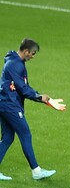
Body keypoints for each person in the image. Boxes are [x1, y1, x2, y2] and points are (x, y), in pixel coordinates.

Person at [0, 38, 56, 180]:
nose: (33, 56)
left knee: (7, 138)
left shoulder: (15, 62)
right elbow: (23, 88)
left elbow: (24, 86)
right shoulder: (15, 65)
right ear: (25, 51)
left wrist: (38, 96)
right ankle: (36, 171)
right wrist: (38, 97)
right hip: (10, 106)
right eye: (32, 53)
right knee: (25, 134)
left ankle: (36, 171)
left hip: (5, 103)